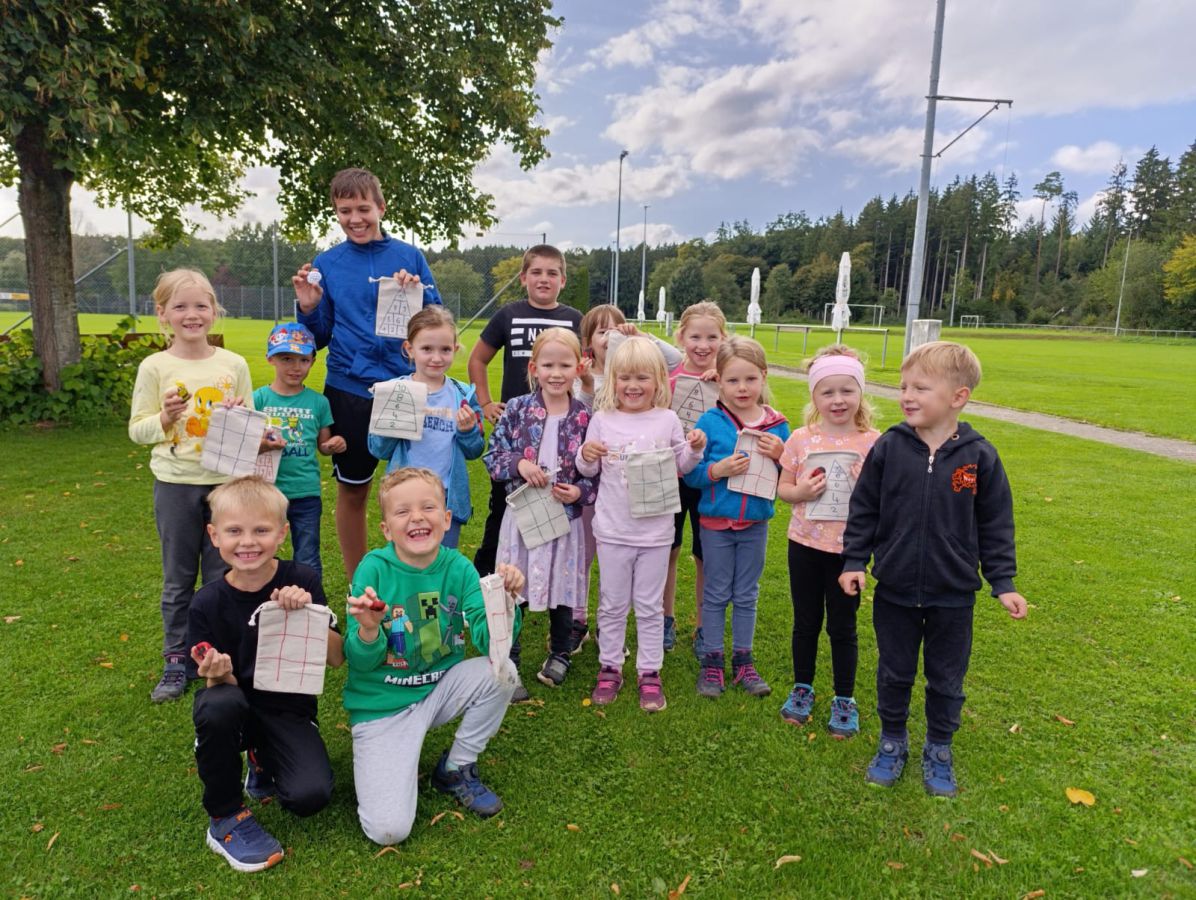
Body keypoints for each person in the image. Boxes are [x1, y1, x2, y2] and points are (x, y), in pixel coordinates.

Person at [839, 341, 1027, 798]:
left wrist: (1002, 582)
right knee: (894, 672)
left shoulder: (979, 456)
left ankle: (939, 747)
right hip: (895, 590)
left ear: (958, 397)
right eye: (904, 386)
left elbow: (996, 523)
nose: (906, 395)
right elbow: (864, 509)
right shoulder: (890, 447)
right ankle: (892, 740)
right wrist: (854, 560)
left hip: (953, 596)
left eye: (920, 388)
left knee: (946, 679)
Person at [344, 468, 525, 845]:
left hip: (438, 689)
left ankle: (456, 766)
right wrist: (369, 630)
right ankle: (393, 756)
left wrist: (504, 603)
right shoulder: (373, 569)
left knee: (503, 671)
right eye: (402, 511)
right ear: (386, 529)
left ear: (445, 519)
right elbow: (359, 663)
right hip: (384, 705)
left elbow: (489, 642)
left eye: (428, 507)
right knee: (388, 830)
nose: (416, 517)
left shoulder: (458, 567)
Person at [292, 167, 441, 582]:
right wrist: (308, 308)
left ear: (381, 207)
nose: (354, 219)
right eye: (344, 211)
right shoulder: (327, 263)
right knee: (354, 489)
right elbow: (318, 337)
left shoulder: (409, 257)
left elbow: (435, 321)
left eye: (362, 209)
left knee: (414, 491)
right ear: (335, 213)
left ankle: (413, 574)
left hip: (403, 388)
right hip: (349, 389)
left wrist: (420, 292)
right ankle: (361, 582)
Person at [188, 476, 344, 872]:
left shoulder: (302, 579)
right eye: (234, 531)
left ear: (282, 533)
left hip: (287, 708)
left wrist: (308, 615)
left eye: (261, 530)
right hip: (235, 704)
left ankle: (262, 761)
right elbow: (213, 681)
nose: (248, 542)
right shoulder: (206, 602)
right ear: (214, 535)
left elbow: (336, 658)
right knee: (218, 705)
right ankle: (225, 817)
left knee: (310, 796)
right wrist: (218, 673)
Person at [129, 268, 259, 702]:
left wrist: (239, 416)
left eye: (201, 305)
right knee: (179, 577)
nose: (192, 314)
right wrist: (165, 417)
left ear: (214, 311)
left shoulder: (233, 364)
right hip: (176, 485)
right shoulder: (155, 367)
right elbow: (137, 430)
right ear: (162, 313)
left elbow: (252, 428)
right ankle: (176, 658)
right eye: (180, 306)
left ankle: (218, 655)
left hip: (226, 488)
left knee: (224, 576)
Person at [577, 338, 705, 712]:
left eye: (642, 378)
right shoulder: (602, 420)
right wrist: (586, 454)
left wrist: (694, 449)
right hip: (613, 531)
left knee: (649, 606)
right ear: (613, 380)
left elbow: (682, 465)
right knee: (612, 603)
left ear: (659, 381)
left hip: (656, 534)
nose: (633, 386)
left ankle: (650, 671)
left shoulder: (667, 420)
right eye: (625, 378)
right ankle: (610, 666)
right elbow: (587, 470)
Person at [484, 329, 597, 690]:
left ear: (578, 368)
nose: (556, 373)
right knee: (512, 585)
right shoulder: (517, 409)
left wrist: (577, 491)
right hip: (521, 519)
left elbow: (597, 475)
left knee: (562, 584)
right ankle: (510, 659)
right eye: (548, 365)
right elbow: (493, 455)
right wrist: (519, 464)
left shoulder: (585, 417)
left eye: (565, 365)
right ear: (534, 368)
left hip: (563, 520)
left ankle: (560, 652)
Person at [776, 345, 880, 736]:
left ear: (860, 393)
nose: (838, 400)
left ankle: (844, 698)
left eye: (846, 390)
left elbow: (886, 499)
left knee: (843, 626)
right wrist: (800, 492)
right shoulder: (801, 439)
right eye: (827, 391)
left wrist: (865, 485)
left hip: (849, 553)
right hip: (803, 545)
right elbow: (783, 489)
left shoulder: (874, 442)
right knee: (805, 622)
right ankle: (802, 687)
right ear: (814, 396)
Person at [467, 245, 582, 580]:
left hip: (561, 430)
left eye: (552, 273)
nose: (544, 279)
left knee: (556, 506)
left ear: (563, 280)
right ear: (523, 278)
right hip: (516, 433)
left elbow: (592, 361)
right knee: (503, 507)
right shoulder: (509, 314)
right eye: (536, 272)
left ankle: (550, 584)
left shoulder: (575, 319)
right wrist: (486, 402)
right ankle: (487, 579)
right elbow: (477, 359)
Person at [684, 336, 789, 699]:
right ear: (719, 381)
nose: (742, 388)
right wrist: (717, 470)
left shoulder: (778, 426)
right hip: (715, 526)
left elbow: (790, 475)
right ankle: (712, 661)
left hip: (756, 526)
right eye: (732, 380)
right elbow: (692, 475)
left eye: (750, 379)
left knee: (746, 594)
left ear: (763, 376)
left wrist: (782, 455)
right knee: (715, 594)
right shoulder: (710, 422)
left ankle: (744, 661)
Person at [367, 306, 483, 549]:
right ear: (409, 349)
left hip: (445, 497)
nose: (436, 358)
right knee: (405, 560)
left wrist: (468, 430)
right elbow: (378, 449)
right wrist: (394, 423)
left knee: (442, 561)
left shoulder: (463, 394)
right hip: (404, 495)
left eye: (445, 349)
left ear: (455, 349)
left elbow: (475, 450)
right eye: (427, 349)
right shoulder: (396, 391)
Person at [253, 322, 346, 577]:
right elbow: (245, 446)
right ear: (270, 359)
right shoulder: (258, 399)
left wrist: (334, 444)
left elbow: (323, 446)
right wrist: (264, 445)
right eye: (286, 359)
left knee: (307, 554)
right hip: (267, 492)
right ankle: (263, 595)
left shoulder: (318, 402)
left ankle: (310, 597)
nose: (296, 367)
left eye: (303, 360)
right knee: (263, 550)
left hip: (305, 491)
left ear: (313, 361)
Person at [664, 300, 727, 654]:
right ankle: (665, 618)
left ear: (723, 339)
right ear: (681, 338)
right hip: (672, 477)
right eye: (695, 337)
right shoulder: (669, 378)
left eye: (711, 337)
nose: (703, 346)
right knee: (668, 550)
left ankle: (705, 626)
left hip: (710, 480)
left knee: (707, 555)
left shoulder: (728, 381)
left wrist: (723, 387)